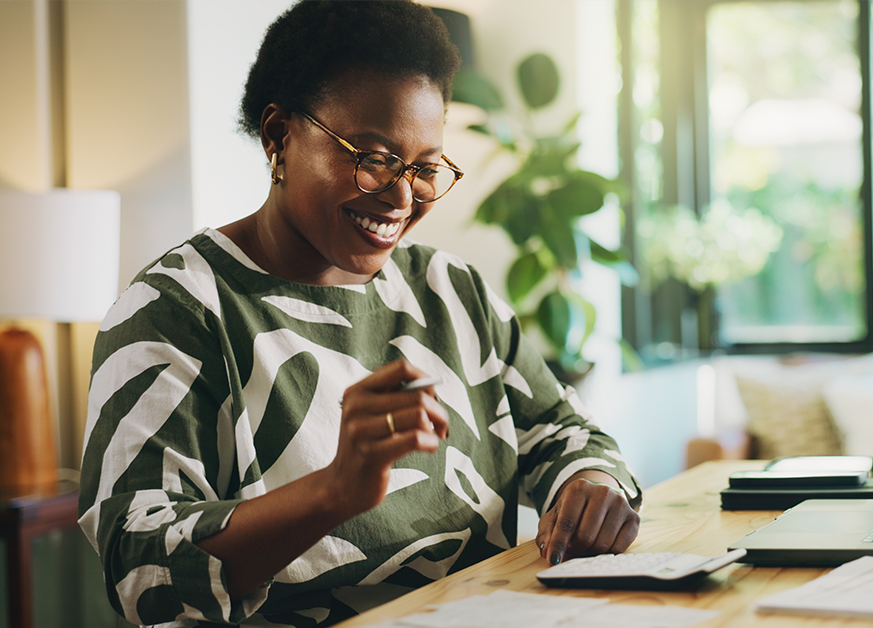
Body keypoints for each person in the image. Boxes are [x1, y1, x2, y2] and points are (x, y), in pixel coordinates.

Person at [76, 2, 641, 626]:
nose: (402, 196)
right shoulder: (177, 309)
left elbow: (565, 431)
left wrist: (590, 484)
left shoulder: (448, 289)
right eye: (373, 156)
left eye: (425, 168)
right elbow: (141, 569)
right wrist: (332, 491)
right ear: (278, 135)